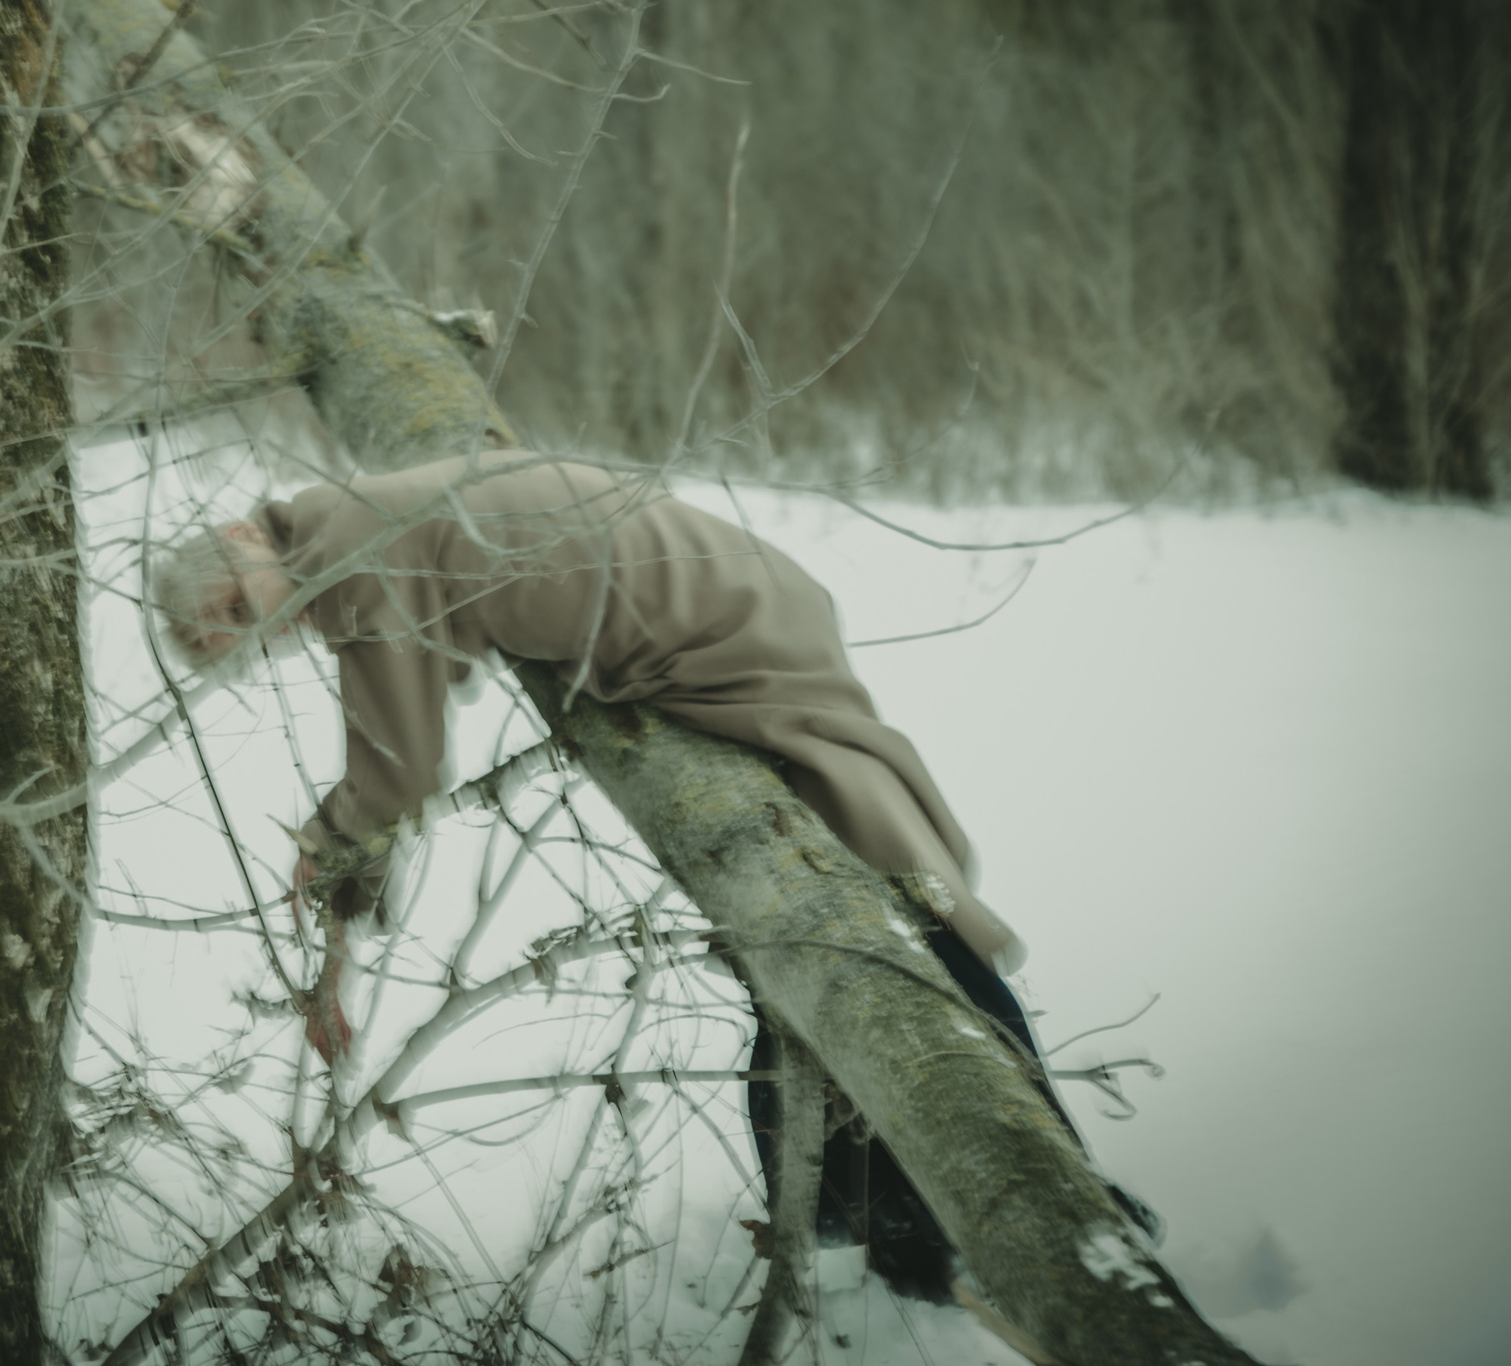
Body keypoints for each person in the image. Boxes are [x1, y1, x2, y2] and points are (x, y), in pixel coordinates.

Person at [153, 450, 1124, 1300]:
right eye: (242, 639)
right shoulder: (344, 516)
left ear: (244, 534)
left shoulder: (353, 553)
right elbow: (415, 689)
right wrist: (351, 887)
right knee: (807, 932)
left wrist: (326, 846)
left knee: (885, 907)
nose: (264, 629)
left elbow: (399, 769)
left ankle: (1046, 1209)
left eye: (242, 604)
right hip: (734, 593)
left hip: (722, 635)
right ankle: (867, 1213)